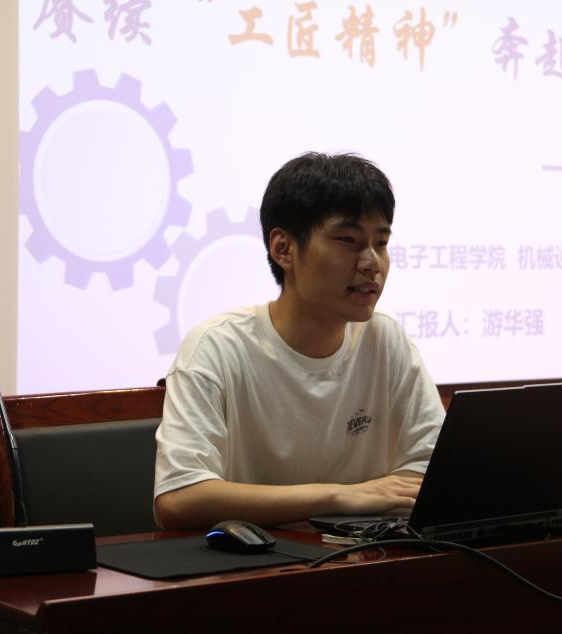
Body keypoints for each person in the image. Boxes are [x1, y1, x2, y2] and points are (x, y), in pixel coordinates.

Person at [153, 152, 445, 529]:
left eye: (381, 242)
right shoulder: (216, 347)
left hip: (363, 556)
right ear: (283, 249)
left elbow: (434, 471)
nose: (372, 262)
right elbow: (179, 498)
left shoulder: (384, 338)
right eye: (348, 240)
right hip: (260, 561)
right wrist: (339, 497)